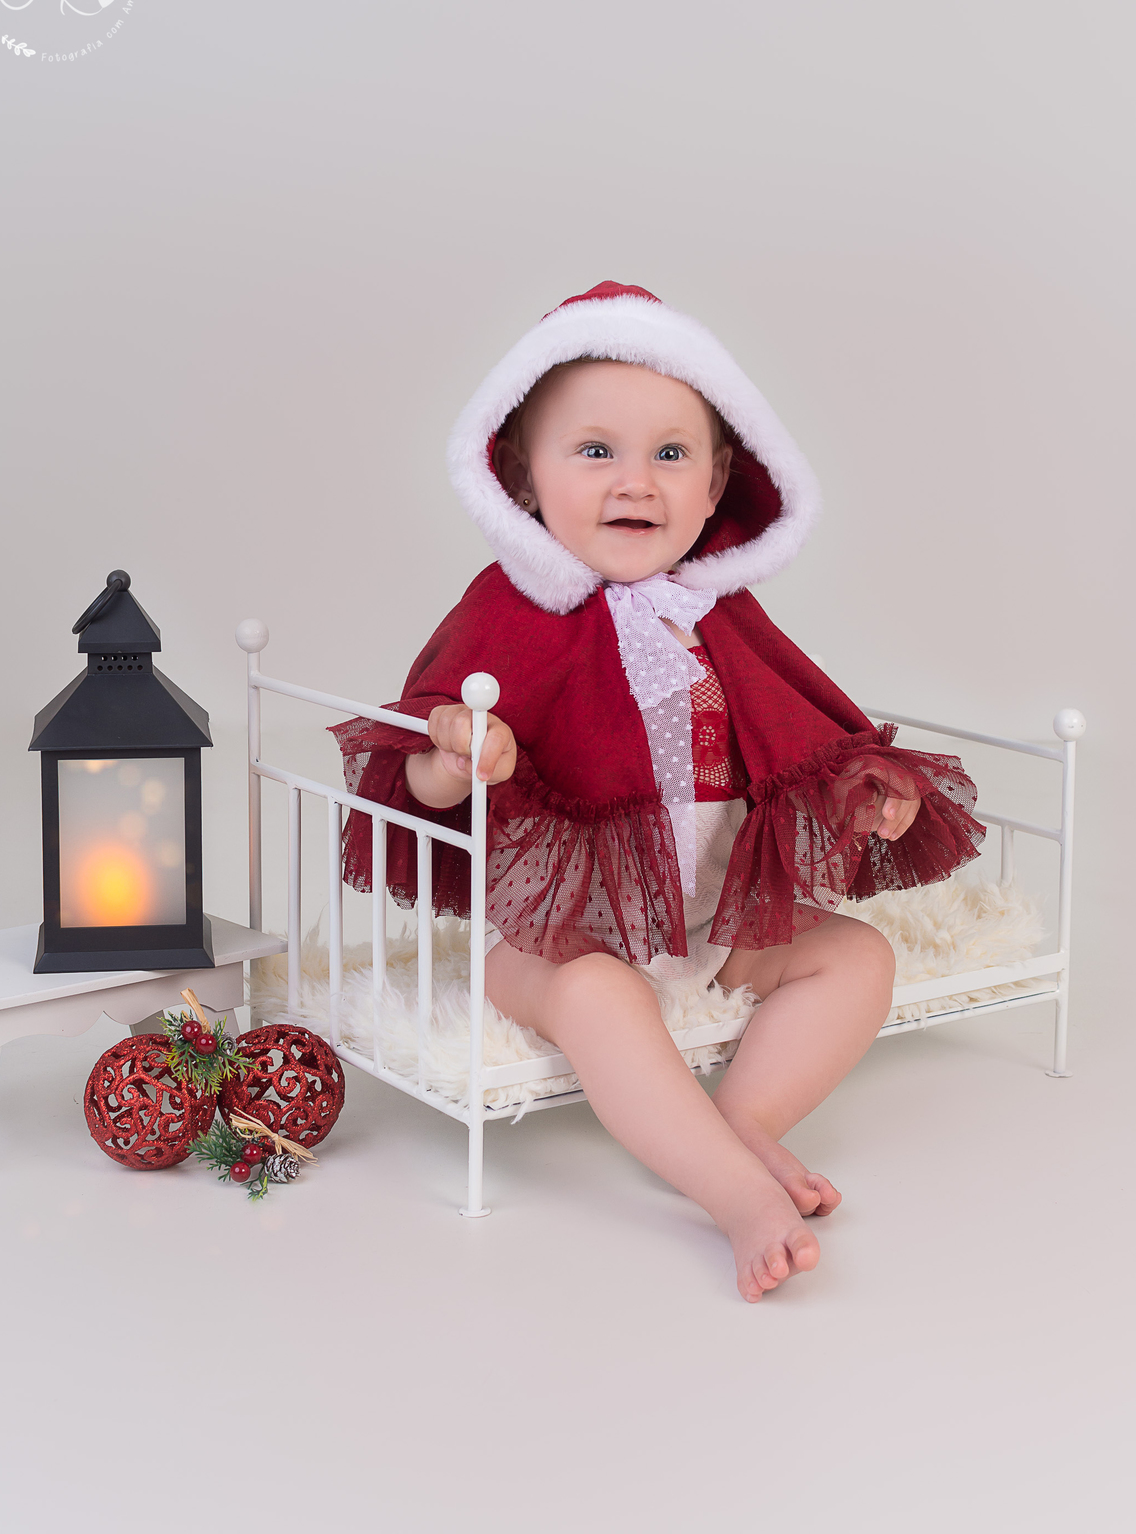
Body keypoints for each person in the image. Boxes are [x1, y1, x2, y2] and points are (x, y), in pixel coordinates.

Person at [333, 282, 983, 1302]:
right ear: (521, 475)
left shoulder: (718, 612)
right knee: (599, 996)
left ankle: (745, 1121)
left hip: (712, 924)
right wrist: (455, 751)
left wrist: (864, 792)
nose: (635, 481)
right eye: (595, 451)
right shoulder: (512, 610)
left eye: (671, 454)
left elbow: (796, 732)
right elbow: (413, 774)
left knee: (859, 958)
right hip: (558, 937)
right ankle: (733, 1192)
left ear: (718, 481)